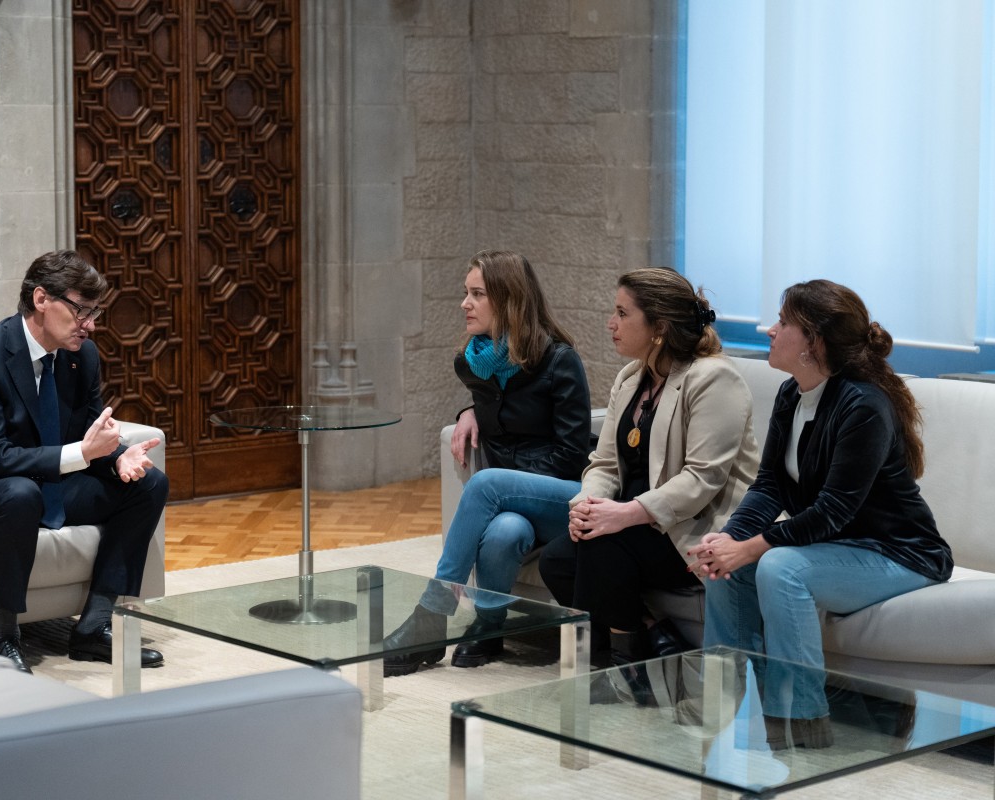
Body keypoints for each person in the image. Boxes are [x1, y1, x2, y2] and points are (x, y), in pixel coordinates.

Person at [689, 279, 952, 749]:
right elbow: (769, 485)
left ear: (814, 342)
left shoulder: (864, 405)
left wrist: (749, 548)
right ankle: (717, 709)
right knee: (723, 570)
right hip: (837, 546)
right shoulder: (792, 394)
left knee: (779, 566)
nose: (770, 330)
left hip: (902, 553)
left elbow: (834, 509)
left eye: (783, 322)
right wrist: (728, 541)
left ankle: (801, 725)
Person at [0, 250, 170, 674]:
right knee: (19, 493)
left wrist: (119, 457)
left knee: (149, 483)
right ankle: (4, 637)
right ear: (41, 299)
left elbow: (89, 434)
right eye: (81, 310)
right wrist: (83, 453)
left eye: (95, 312)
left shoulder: (83, 357)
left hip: (45, 483)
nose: (90, 324)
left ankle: (94, 627)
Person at [536, 267, 759, 678]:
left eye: (622, 313)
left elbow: (702, 479)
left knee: (601, 547)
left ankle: (618, 668)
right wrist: (587, 503)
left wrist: (623, 514)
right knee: (556, 560)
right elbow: (604, 463)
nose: (611, 323)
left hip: (694, 527)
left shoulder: (713, 378)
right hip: (637, 523)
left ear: (659, 327)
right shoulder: (630, 377)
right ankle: (651, 637)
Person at [383, 250, 592, 676]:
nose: (465, 303)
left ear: (509, 299)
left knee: (488, 484)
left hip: (567, 497)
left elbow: (572, 454)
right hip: (512, 504)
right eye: (466, 293)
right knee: (503, 532)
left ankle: (431, 614)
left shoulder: (558, 360)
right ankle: (491, 627)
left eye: (477, 294)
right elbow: (501, 410)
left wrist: (511, 485)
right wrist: (470, 411)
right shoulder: (473, 363)